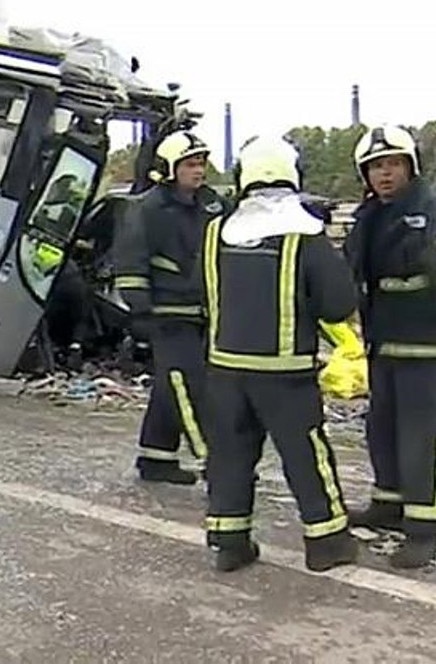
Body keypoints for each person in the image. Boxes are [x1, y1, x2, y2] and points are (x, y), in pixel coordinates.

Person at [199, 135, 358, 573]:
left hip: (225, 368)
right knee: (306, 454)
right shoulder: (304, 235)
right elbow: (338, 304)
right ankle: (327, 541)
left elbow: (206, 295)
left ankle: (230, 542)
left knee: (229, 454)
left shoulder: (217, 232)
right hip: (284, 375)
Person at [343, 124, 436, 568]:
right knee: (383, 429)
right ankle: (389, 501)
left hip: (430, 349)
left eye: (393, 164)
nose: (384, 175)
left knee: (425, 439)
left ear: (411, 166)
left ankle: (427, 525)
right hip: (383, 345)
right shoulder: (369, 216)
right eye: (375, 167)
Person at [113, 130, 230, 484]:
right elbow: (131, 262)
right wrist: (141, 311)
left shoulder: (214, 204)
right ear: (169, 169)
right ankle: (218, 462)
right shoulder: (147, 208)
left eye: (201, 163)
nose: (199, 171)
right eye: (190, 165)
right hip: (166, 314)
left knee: (170, 385)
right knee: (187, 386)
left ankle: (156, 458)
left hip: (204, 314)